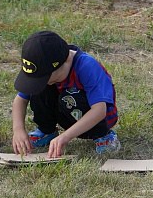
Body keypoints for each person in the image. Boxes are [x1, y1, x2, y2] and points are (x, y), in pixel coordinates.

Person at [11, 30, 120, 159]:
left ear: (62, 63)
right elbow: (20, 100)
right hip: (66, 111)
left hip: (98, 117)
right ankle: (47, 131)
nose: (39, 81)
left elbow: (99, 111)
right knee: (39, 90)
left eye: (43, 78)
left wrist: (66, 136)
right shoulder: (42, 65)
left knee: (69, 96)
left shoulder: (87, 67)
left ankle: (103, 136)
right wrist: (18, 130)